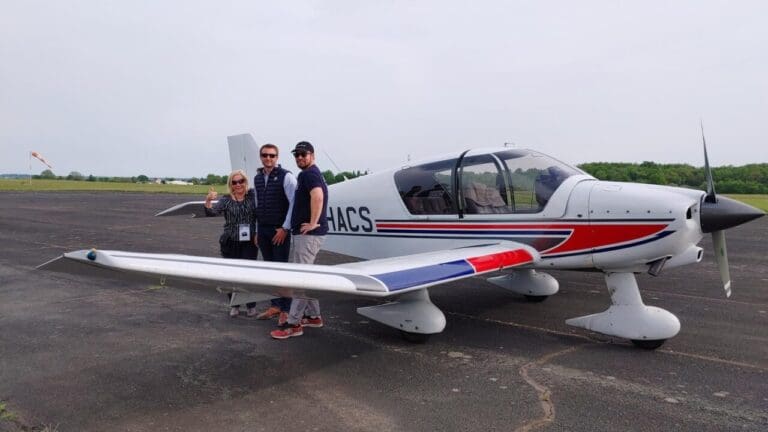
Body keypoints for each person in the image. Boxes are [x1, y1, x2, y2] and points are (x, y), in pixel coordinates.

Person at [270, 141, 329, 340]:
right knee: (307, 275)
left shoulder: (308, 174)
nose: (300, 158)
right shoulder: (311, 173)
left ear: (312, 155)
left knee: (300, 278)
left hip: (308, 235)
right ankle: (313, 316)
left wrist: (313, 223)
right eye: (297, 155)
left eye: (304, 154)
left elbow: (318, 196)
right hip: (306, 235)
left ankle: (293, 323)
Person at [251, 144, 297, 325]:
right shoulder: (257, 178)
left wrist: (285, 228)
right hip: (263, 229)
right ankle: (275, 305)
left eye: (272, 155)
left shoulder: (287, 177)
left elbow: (294, 204)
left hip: (279, 230)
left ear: (277, 157)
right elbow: (257, 205)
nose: (268, 158)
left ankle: (286, 309)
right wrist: (256, 230)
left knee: (282, 270)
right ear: (260, 157)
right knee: (270, 270)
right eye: (265, 155)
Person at [204, 169, 259, 317]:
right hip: (230, 242)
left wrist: (258, 232)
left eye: (241, 181)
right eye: (235, 182)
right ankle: (234, 304)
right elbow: (212, 212)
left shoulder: (252, 196)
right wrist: (208, 200)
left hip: (249, 242)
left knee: (248, 274)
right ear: (231, 184)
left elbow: (261, 214)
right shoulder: (226, 200)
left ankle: (251, 305)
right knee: (231, 275)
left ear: (245, 182)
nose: (238, 184)